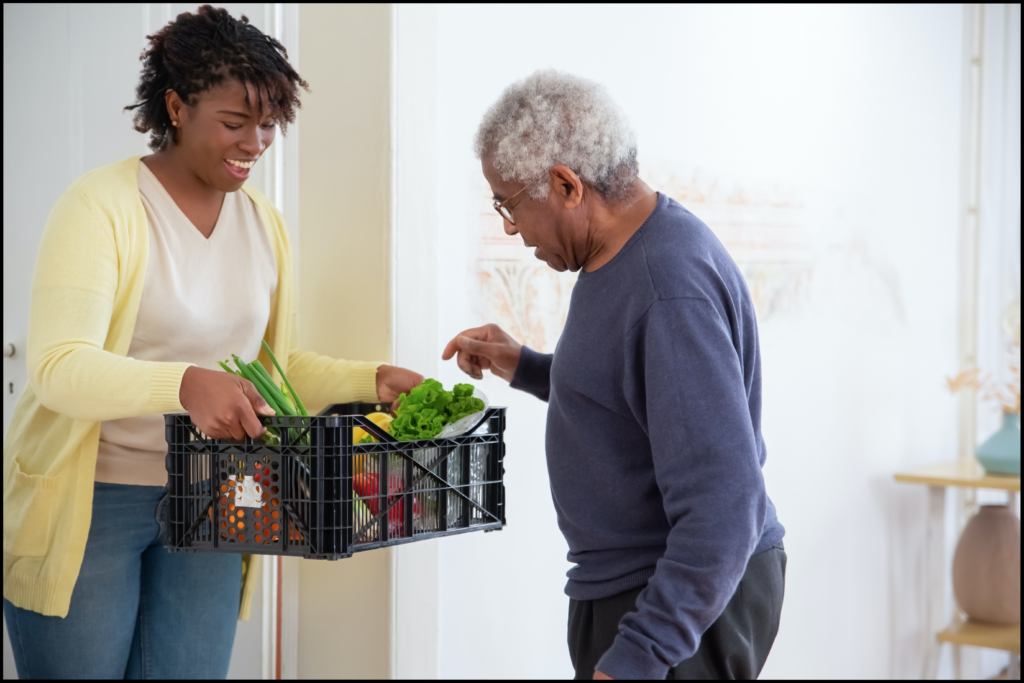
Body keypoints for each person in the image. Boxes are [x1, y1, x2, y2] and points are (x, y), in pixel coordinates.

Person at [2, 5, 422, 679]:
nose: (255, 141)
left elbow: (266, 372)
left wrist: (367, 379)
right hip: (92, 498)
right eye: (234, 122)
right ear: (176, 105)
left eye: (267, 124)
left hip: (215, 492)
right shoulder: (101, 208)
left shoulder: (264, 225)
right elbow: (58, 368)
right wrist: (184, 383)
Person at [442, 70, 786, 680]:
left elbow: (725, 505)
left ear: (566, 185)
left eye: (510, 204)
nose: (510, 227)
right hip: (641, 588)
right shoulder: (623, 255)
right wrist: (522, 364)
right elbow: (632, 397)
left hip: (671, 599)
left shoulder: (666, 288)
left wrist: (641, 652)